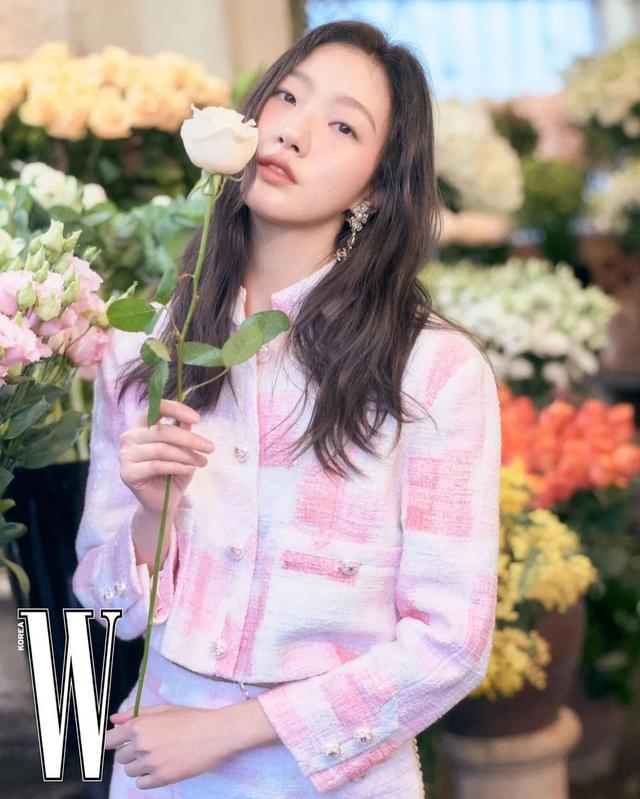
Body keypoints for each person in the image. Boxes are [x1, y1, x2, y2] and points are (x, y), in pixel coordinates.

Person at [72, 19, 502, 799]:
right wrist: (148, 519)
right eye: (288, 98)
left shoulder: (433, 371)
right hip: (155, 761)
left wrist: (226, 730)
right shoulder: (144, 347)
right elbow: (100, 604)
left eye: (343, 126)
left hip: (331, 776)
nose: (294, 134)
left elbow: (451, 644)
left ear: (376, 186)